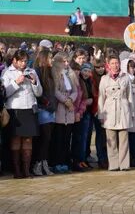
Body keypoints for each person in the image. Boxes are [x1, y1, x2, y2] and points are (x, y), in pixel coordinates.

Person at [2, 50, 42, 178]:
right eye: (21, 61)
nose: (24, 64)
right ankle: (17, 171)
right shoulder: (7, 73)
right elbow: (5, 93)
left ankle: (26, 170)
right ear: (14, 60)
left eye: (25, 61)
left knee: (28, 140)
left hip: (29, 108)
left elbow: (39, 93)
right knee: (16, 140)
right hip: (15, 109)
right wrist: (16, 82)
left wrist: (35, 82)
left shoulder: (32, 71)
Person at [98, 55, 133, 171]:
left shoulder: (126, 78)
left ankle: (124, 165)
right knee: (111, 141)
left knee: (124, 140)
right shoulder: (104, 79)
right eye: (112, 63)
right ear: (108, 65)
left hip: (123, 110)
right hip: (110, 111)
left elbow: (130, 97)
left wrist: (131, 113)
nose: (115, 65)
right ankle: (113, 165)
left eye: (116, 63)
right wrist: (101, 114)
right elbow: (101, 98)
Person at [51, 53, 81, 172]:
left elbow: (75, 90)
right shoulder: (55, 74)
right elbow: (55, 90)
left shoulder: (70, 74)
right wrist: (65, 101)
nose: (66, 64)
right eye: (64, 61)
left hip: (69, 109)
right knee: (58, 138)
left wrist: (71, 100)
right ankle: (57, 162)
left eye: (67, 61)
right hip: (60, 108)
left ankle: (65, 161)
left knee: (67, 138)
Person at [32, 49, 57, 175]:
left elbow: (53, 91)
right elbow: (37, 91)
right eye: (50, 58)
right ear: (44, 58)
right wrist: (46, 103)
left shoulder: (50, 72)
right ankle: (38, 164)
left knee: (48, 139)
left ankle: (44, 162)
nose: (51, 60)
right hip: (43, 109)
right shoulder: (37, 71)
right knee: (44, 138)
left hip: (52, 109)